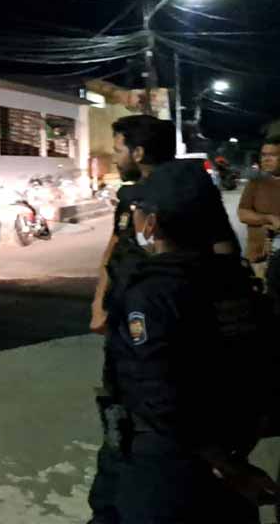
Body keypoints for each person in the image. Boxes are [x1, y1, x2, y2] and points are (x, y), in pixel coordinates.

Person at [103, 160, 277, 522]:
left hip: (170, 461)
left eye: (138, 211)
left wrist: (222, 463)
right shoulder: (236, 282)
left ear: (152, 222)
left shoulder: (154, 293)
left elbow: (159, 392)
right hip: (230, 443)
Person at [87, 115, 240, 524]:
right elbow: (114, 251)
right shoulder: (135, 199)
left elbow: (225, 260)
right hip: (133, 330)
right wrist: (102, 304)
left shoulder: (184, 196)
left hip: (160, 410)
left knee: (153, 409)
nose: (115, 156)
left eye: (119, 148)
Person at [238, 137, 280, 290]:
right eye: (263, 155)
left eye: (273, 155)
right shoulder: (255, 182)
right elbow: (242, 213)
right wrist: (268, 218)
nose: (266, 159)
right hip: (258, 257)